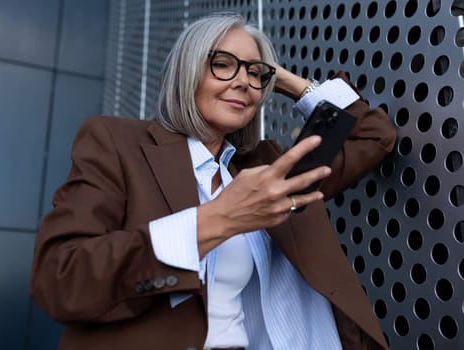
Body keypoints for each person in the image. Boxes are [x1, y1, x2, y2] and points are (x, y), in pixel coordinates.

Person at [30, 12, 396, 350]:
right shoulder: (117, 143)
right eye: (222, 65)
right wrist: (220, 219)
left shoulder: (270, 168)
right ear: (186, 71)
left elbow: (374, 135)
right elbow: (61, 278)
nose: (243, 82)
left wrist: (285, 81)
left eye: (255, 73)